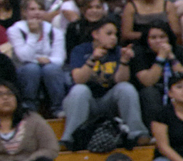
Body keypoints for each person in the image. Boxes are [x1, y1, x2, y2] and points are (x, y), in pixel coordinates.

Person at [62, 17, 148, 149]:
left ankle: (137, 134)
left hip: (108, 101)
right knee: (80, 90)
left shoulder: (118, 51)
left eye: (115, 34)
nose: (113, 38)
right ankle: (70, 139)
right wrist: (92, 59)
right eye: (109, 34)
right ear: (95, 34)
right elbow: (79, 80)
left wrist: (124, 61)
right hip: (84, 102)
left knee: (126, 88)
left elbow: (121, 80)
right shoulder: (81, 50)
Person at [7, 0, 69, 118]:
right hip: (23, 69)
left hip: (48, 68)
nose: (37, 12)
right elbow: (23, 57)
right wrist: (33, 34)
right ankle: (29, 108)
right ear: (25, 12)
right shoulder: (15, 30)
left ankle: (58, 108)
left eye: (40, 9)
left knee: (51, 69)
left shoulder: (54, 31)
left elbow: (59, 59)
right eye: (32, 9)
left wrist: (49, 60)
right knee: (32, 68)